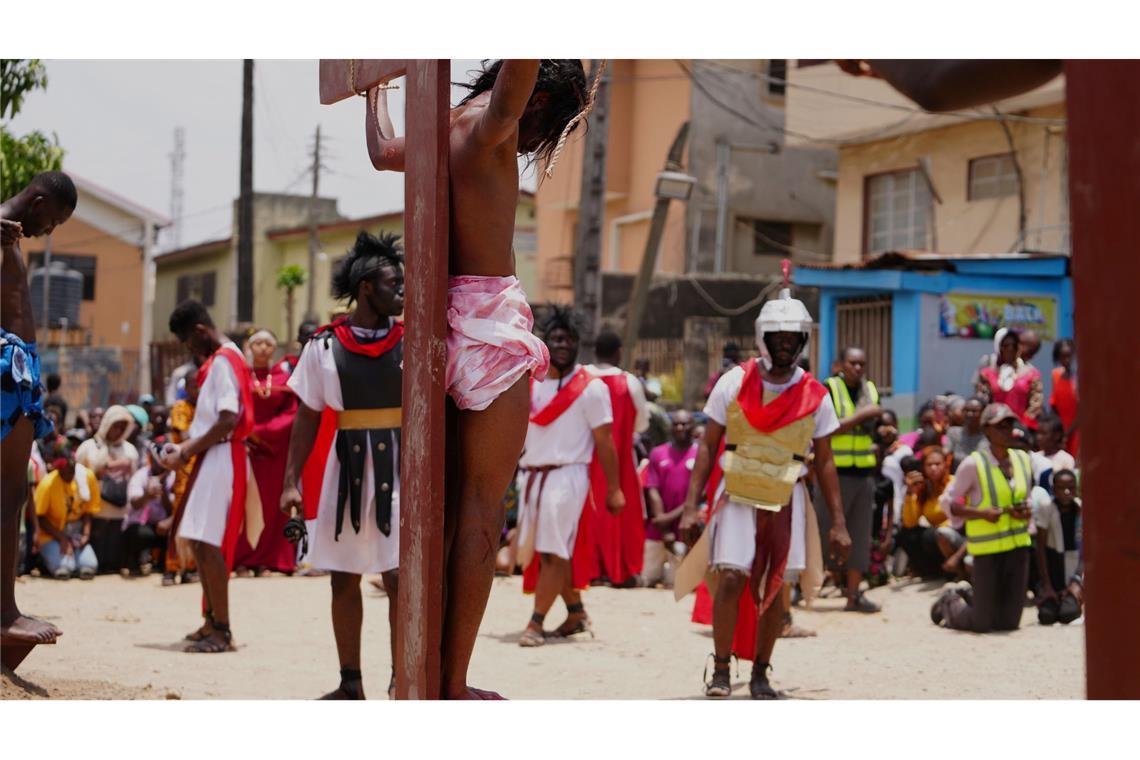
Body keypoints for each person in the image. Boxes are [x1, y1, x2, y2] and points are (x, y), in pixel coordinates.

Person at [366, 59, 590, 699]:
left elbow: (384, 151)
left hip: (435, 322)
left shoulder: (437, 129)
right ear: (539, 99)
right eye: (552, 118)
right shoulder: (493, 126)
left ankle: (410, 669)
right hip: (488, 325)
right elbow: (520, 76)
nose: (538, 134)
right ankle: (454, 681)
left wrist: (373, 88)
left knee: (431, 508)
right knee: (479, 511)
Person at [677, 285, 850, 699]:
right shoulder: (733, 382)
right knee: (733, 577)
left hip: (786, 496)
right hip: (736, 493)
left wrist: (838, 522)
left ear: (803, 340)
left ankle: (761, 673)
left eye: (793, 338)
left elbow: (824, 460)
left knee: (775, 588)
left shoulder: (815, 394)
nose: (786, 344)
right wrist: (690, 505)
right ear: (765, 337)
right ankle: (720, 669)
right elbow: (707, 444)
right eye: (779, 337)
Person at [280, 232, 405, 700]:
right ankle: (350, 683)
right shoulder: (324, 346)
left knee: (399, 577)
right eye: (394, 283)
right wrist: (291, 481)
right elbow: (307, 416)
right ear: (367, 287)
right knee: (343, 576)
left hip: (401, 467)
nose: (403, 291)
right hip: (346, 465)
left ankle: (402, 678)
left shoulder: (412, 340)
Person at [516, 306, 623, 648]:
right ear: (546, 342)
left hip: (567, 478)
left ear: (579, 344)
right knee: (548, 550)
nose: (563, 344)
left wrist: (615, 489)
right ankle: (576, 612)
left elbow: (605, 441)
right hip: (532, 477)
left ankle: (535, 624)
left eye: (570, 339)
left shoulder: (592, 388)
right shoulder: (530, 383)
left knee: (551, 551)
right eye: (557, 338)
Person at [2, 171, 76, 645]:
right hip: (6, 365)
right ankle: (4, 612)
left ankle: (5, 609)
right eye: (52, 222)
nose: (48, 233)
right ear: (38, 200)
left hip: (18, 367)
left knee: (12, 493)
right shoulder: (3, 226)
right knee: (9, 493)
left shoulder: (7, 231)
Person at [159, 299, 257, 654]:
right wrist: (186, 449)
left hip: (221, 456)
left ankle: (223, 630)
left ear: (200, 331)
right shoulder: (222, 360)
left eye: (188, 341)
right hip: (211, 455)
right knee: (198, 541)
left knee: (209, 542)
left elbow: (228, 419)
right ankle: (211, 620)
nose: (189, 349)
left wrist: (184, 450)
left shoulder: (224, 363)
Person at [932, 404, 1035, 632]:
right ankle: (950, 600)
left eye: (1010, 425)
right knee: (982, 624)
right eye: (1001, 426)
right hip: (986, 550)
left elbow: (1027, 498)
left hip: (1017, 548)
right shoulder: (973, 464)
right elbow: (949, 503)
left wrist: (1025, 511)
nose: (1008, 431)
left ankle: (970, 594)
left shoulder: (1023, 459)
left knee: (1009, 623)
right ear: (986, 430)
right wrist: (981, 514)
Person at [816, 346, 882, 613]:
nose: (858, 368)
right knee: (822, 530)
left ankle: (854, 595)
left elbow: (873, 428)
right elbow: (826, 429)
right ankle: (800, 588)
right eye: (853, 363)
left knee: (860, 535)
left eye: (862, 363)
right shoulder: (828, 389)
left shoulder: (871, 390)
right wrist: (862, 416)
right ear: (841, 364)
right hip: (833, 472)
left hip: (864, 472)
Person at [585, 330, 648, 587]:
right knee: (622, 512)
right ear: (618, 352)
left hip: (585, 459)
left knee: (588, 511)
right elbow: (642, 424)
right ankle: (619, 569)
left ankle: (589, 568)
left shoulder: (582, 377)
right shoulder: (629, 382)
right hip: (619, 460)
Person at [233, 329, 298, 576]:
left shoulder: (282, 378)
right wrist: (249, 433)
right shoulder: (241, 376)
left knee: (272, 506)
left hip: (274, 452)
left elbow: (291, 412)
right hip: (245, 449)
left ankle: (268, 560)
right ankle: (241, 559)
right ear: (249, 347)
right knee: (243, 504)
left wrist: (263, 433)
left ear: (274, 349)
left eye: (267, 344)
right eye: (257, 343)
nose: (262, 348)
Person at [75, 405, 139, 574]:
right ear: (107, 424)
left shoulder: (130, 450)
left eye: (122, 428)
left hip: (119, 511)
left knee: (113, 560)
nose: (118, 431)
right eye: (115, 426)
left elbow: (134, 479)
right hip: (95, 511)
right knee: (97, 557)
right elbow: (77, 474)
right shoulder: (88, 447)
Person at [642, 410, 697, 588]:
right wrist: (663, 525)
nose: (680, 428)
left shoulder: (700, 455)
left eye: (685, 424)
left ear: (693, 427)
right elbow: (652, 489)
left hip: (684, 527)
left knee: (676, 583)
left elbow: (699, 493)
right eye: (676, 424)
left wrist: (669, 518)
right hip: (657, 527)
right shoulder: (658, 453)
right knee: (647, 579)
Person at [35, 437, 102, 580]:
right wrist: (62, 538)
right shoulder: (48, 484)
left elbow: (89, 511)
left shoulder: (87, 476)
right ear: (58, 469)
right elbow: (39, 517)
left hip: (76, 531)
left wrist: (85, 535)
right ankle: (46, 560)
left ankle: (75, 557)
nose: (70, 475)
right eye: (65, 472)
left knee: (89, 565)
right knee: (65, 568)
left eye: (72, 470)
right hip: (53, 533)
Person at [896, 447, 964, 577]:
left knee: (931, 534)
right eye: (929, 465)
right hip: (936, 535)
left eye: (937, 464)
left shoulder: (954, 482)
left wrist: (941, 527)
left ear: (945, 465)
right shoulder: (924, 489)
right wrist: (910, 493)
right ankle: (932, 571)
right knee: (907, 534)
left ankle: (956, 570)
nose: (933, 468)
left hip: (956, 531)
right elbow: (910, 523)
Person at [160, 368, 199, 586]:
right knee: (179, 521)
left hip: (201, 471)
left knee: (195, 523)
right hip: (184, 472)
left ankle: (189, 567)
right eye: (195, 385)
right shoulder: (180, 407)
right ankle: (170, 567)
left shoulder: (202, 407)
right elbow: (186, 436)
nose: (199, 389)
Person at [1032, 469, 1083, 625]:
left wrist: (1076, 582)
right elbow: (1040, 548)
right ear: (1054, 490)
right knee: (1047, 616)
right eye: (1061, 488)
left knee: (1068, 614)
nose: (1067, 492)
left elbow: (1085, 551)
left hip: (1073, 571)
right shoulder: (1047, 508)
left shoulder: (1081, 509)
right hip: (1053, 571)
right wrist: (1047, 585)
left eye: (1071, 487)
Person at [975, 328, 1044, 430]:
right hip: (994, 429)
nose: (1010, 349)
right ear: (999, 347)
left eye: (1014, 345)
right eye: (1006, 345)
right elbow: (983, 401)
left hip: (1021, 429)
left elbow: (1036, 404)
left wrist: (1022, 426)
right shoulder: (987, 373)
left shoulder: (1031, 374)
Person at [123, 448, 172, 576]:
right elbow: (134, 503)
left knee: (172, 528)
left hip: (162, 524)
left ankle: (164, 562)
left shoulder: (173, 476)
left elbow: (172, 510)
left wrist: (164, 490)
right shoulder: (140, 475)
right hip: (141, 524)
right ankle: (133, 560)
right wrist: (147, 496)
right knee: (143, 534)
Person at [1049, 338, 1079, 458]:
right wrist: (1056, 431)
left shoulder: (1078, 378)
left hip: (1077, 431)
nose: (1066, 360)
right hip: (1060, 431)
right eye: (1062, 356)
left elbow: (1082, 412)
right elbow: (1054, 405)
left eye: (1069, 356)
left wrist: (1068, 432)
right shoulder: (1055, 374)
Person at [947, 397, 986, 473]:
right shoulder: (953, 432)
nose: (969, 414)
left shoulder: (988, 436)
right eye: (966, 410)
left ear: (983, 413)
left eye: (974, 411)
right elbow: (945, 452)